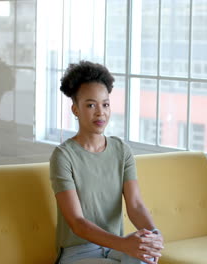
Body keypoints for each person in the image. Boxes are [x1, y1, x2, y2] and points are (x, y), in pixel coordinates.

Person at [49, 61, 164, 264]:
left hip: (114, 248)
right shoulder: (63, 156)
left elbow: (135, 205)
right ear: (75, 109)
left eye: (106, 104)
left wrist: (154, 236)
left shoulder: (121, 151)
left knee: (144, 258)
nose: (100, 112)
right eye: (91, 105)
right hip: (78, 253)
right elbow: (77, 223)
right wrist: (124, 244)